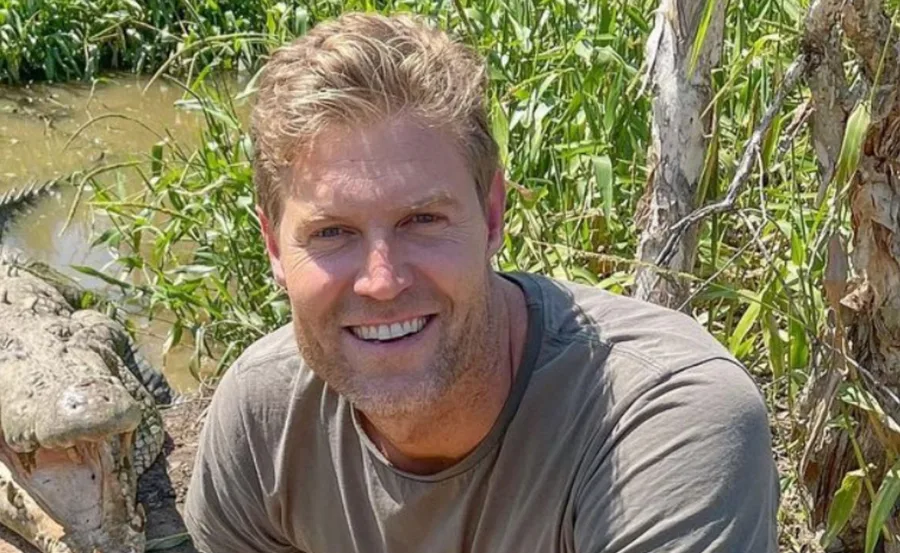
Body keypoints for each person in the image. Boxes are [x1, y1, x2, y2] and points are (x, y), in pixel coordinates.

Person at [182, 11, 779, 553]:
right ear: (273, 248)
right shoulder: (264, 420)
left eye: (422, 220)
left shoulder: (663, 422)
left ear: (492, 215)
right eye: (332, 233)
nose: (382, 281)